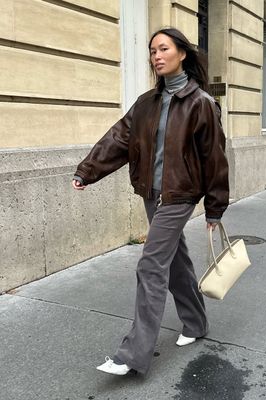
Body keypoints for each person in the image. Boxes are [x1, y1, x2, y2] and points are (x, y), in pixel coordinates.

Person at [72, 27, 229, 376]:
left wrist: (215, 207)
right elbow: (118, 138)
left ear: (182, 54)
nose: (157, 56)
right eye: (152, 51)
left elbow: (215, 158)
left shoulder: (201, 103)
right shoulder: (146, 103)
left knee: (150, 266)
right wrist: (87, 170)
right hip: (151, 193)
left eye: (164, 49)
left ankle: (132, 355)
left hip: (180, 195)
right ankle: (196, 323)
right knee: (174, 263)